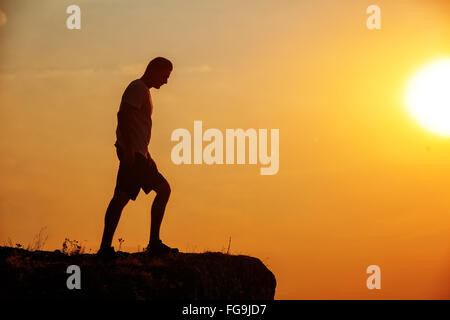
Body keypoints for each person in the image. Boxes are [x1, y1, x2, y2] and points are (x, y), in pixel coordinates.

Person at [97, 57, 178, 257]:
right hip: (133, 154)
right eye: (165, 76)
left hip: (141, 155)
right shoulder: (137, 88)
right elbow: (123, 116)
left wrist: (147, 154)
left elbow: (138, 126)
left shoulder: (145, 92)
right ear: (154, 70)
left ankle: (150, 243)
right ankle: (107, 247)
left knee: (155, 191)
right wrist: (130, 149)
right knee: (124, 197)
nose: (166, 81)